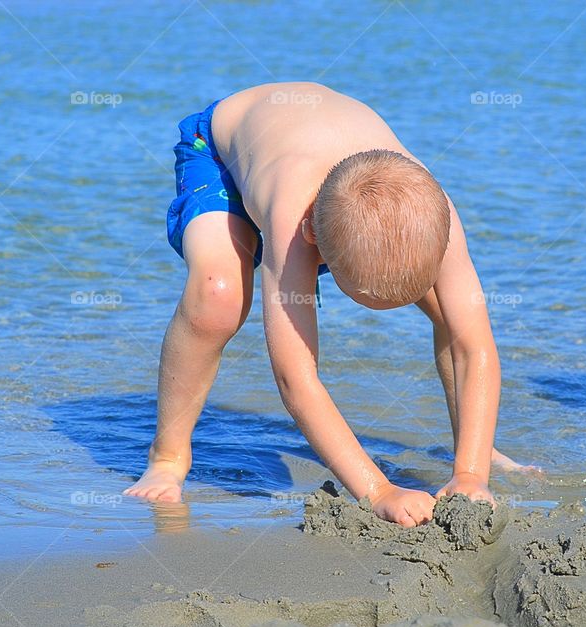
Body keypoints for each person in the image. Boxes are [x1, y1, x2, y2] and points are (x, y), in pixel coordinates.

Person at [124, 82, 532, 527]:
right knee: (218, 296)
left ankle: (475, 447)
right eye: (368, 296)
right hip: (222, 152)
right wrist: (377, 490)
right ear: (314, 243)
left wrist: (472, 475)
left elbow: (473, 344)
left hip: (319, 150)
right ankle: (167, 456)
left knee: (449, 312)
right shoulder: (291, 217)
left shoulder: (437, 214)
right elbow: (295, 378)